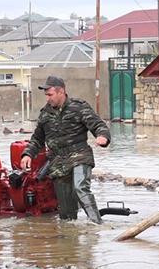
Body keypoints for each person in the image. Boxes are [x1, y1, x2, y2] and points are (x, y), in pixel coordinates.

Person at [20, 76, 111, 223]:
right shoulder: (45, 113)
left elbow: (97, 124)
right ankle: (69, 238)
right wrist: (28, 154)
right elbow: (37, 138)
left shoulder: (78, 107)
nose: (48, 98)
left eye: (50, 95)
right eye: (46, 95)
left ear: (61, 91)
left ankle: (97, 224)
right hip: (57, 161)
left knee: (80, 188)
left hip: (79, 155)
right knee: (66, 209)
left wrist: (102, 136)